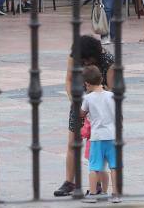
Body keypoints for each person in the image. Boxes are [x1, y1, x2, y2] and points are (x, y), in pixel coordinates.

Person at [54, 35, 115, 198]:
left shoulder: (108, 60)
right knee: (73, 142)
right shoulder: (76, 55)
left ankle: (101, 186)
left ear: (93, 57)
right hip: (80, 101)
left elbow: (112, 89)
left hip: (100, 105)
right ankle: (69, 182)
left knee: (99, 145)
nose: (83, 64)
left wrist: (95, 103)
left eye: (86, 61)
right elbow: (68, 80)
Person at [80, 65, 121, 204]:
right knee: (114, 166)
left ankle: (92, 194)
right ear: (102, 79)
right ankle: (115, 194)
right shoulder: (112, 95)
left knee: (94, 167)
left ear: (87, 84)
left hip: (97, 137)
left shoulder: (88, 98)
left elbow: (82, 113)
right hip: (113, 135)